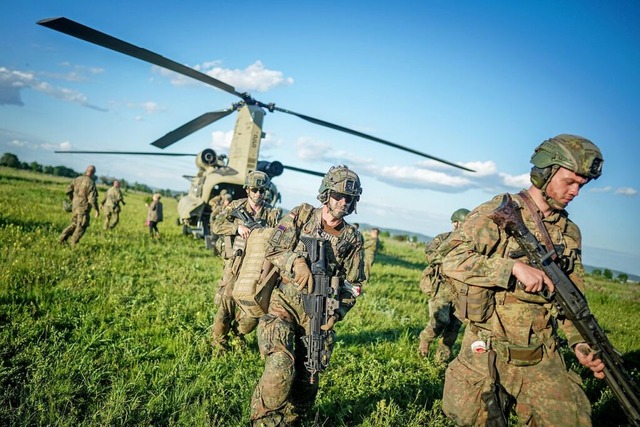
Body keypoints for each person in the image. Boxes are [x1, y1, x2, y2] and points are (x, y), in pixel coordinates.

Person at [440, 134, 606, 426]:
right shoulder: (500, 212)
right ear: (545, 173)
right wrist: (511, 269)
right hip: (488, 348)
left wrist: (580, 343)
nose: (576, 192)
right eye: (570, 182)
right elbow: (451, 259)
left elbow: (572, 299)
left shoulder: (569, 233)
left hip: (542, 353)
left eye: (582, 185)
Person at [250, 165, 365, 426]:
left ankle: (293, 419)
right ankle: (264, 420)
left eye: (350, 198)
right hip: (284, 305)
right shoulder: (302, 215)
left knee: (309, 377)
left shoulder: (352, 238)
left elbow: (354, 285)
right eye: (338, 195)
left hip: (318, 316)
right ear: (326, 194)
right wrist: (296, 263)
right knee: (280, 366)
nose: (343, 202)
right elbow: (273, 247)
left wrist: (338, 312)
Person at [210, 171, 280, 352]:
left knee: (255, 307)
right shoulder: (235, 206)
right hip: (235, 262)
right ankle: (219, 343)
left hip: (256, 265)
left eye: (262, 190)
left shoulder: (272, 213)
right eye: (255, 190)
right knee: (227, 303)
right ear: (247, 189)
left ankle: (238, 333)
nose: (258, 194)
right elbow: (216, 225)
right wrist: (236, 227)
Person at [418, 208, 469, 363]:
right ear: (454, 223)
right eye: (462, 223)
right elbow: (431, 256)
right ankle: (425, 340)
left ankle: (442, 359)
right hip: (443, 286)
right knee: (440, 320)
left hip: (463, 289)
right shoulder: (443, 239)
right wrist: (453, 257)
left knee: (455, 326)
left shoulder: (473, 243)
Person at [59, 165, 100, 246]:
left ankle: (62, 239)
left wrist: (73, 200)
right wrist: (96, 210)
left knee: (74, 224)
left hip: (75, 207)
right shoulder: (91, 182)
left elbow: (68, 190)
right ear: (93, 173)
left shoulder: (77, 179)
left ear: (86, 170)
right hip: (83, 208)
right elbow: (92, 199)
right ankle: (73, 244)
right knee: (81, 226)